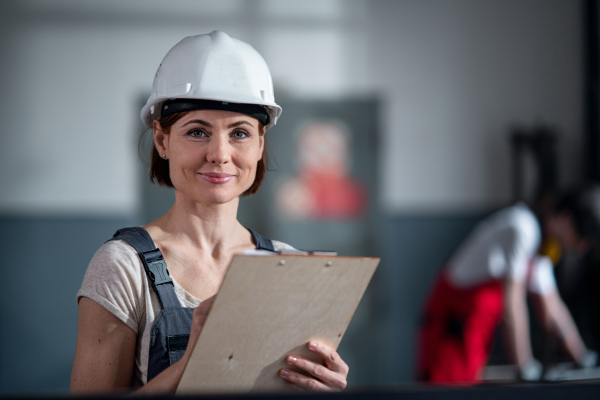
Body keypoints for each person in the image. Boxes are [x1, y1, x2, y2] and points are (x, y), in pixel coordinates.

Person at [70, 31, 349, 395]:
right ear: (161, 139)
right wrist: (193, 365)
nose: (220, 154)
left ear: (260, 144)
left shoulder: (290, 267)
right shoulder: (123, 267)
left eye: (240, 133)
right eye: (198, 132)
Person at [416, 185, 600, 385]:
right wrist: (525, 366)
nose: (581, 248)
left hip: (475, 330)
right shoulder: (522, 227)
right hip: (452, 324)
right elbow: (513, 303)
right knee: (446, 389)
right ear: (565, 219)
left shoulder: (541, 248)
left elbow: (552, 311)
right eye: (581, 236)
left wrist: (583, 358)